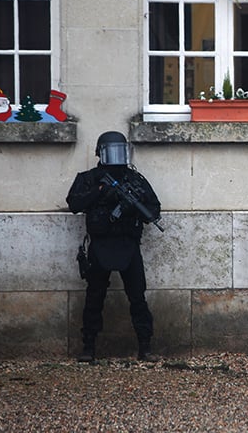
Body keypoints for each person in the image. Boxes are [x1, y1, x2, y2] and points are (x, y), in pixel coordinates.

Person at [66, 131, 162, 362]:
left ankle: (145, 346)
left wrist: (131, 207)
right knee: (94, 297)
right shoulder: (90, 179)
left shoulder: (134, 179)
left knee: (137, 296)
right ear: (100, 153)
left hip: (128, 245)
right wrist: (99, 193)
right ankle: (88, 346)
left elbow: (154, 208)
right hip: (100, 245)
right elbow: (74, 203)